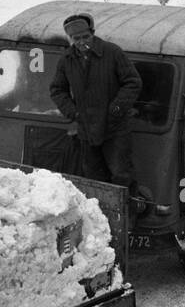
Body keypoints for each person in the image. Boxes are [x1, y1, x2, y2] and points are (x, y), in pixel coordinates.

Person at [49, 12, 142, 187]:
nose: (82, 42)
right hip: (87, 129)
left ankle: (127, 212)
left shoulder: (112, 52)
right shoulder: (67, 59)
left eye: (86, 36)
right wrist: (73, 112)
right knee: (93, 176)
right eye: (76, 38)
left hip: (115, 128)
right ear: (70, 39)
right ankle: (99, 213)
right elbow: (57, 89)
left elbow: (132, 82)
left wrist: (116, 108)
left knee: (122, 175)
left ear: (93, 33)